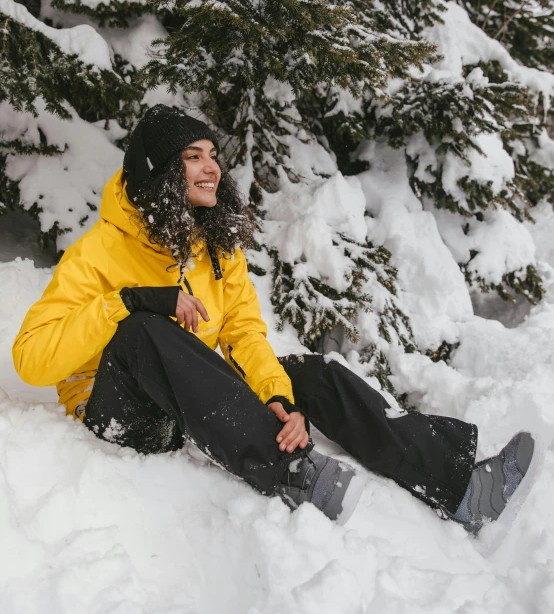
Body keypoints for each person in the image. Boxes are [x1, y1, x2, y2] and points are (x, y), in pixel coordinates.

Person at [12, 105, 538, 533]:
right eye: (193, 157)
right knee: (143, 330)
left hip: (187, 396)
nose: (212, 167)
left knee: (311, 375)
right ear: (158, 171)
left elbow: (242, 333)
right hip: (119, 411)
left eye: (213, 155)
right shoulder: (100, 251)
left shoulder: (213, 248)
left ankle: (460, 485)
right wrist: (129, 302)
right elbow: (32, 360)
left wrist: (277, 399)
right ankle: (289, 471)